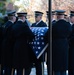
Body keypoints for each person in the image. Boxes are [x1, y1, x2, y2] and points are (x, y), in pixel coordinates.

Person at [52, 10, 72, 75]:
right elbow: (70, 34)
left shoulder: (54, 25)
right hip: (65, 45)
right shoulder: (68, 25)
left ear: (57, 16)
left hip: (56, 46)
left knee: (57, 66)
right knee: (63, 66)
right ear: (63, 16)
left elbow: (48, 35)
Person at [31, 11, 47, 75]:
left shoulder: (44, 25)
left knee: (40, 65)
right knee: (36, 64)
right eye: (35, 16)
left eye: (36, 16)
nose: (35, 18)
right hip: (34, 46)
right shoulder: (33, 25)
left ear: (40, 17)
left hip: (41, 47)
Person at [1, 10, 16, 75]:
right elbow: (12, 38)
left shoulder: (5, 25)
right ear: (13, 17)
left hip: (4, 46)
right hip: (10, 47)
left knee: (6, 64)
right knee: (9, 65)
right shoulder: (12, 26)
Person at [68, 11, 74, 75]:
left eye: (71, 17)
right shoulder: (70, 25)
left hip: (72, 46)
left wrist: (68, 40)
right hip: (70, 48)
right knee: (70, 65)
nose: (70, 18)